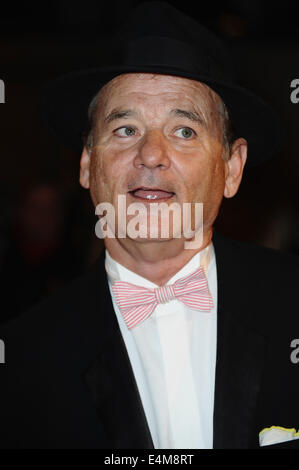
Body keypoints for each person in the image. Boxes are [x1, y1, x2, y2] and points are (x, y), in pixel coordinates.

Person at [0, 2, 298, 449]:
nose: (151, 154)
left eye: (184, 131)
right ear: (87, 163)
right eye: (125, 130)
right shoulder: (22, 358)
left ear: (232, 168)